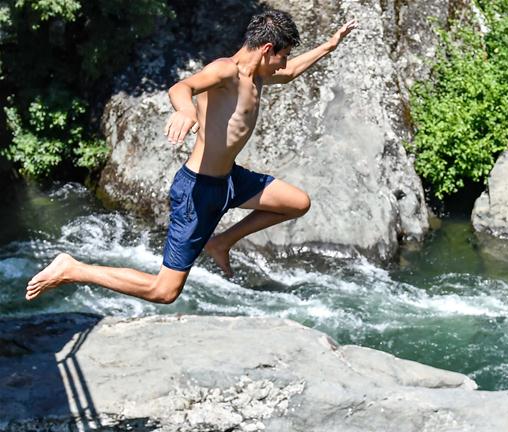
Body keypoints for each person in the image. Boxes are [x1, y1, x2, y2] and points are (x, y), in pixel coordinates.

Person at [26, 10, 358, 303]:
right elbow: (181, 88)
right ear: (267, 49)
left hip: (229, 180)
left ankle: (220, 243)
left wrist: (330, 46)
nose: (284, 63)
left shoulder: (259, 74)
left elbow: (292, 71)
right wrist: (186, 111)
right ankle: (73, 268)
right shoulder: (225, 71)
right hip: (196, 191)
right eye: (283, 55)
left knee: (297, 202)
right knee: (164, 291)